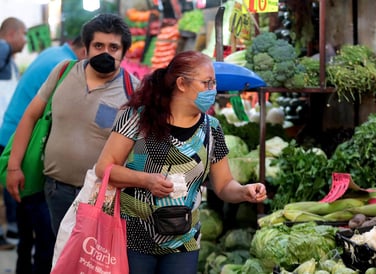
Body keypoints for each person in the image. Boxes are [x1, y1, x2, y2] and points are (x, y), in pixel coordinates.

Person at [95, 50, 267, 274]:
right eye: (206, 83)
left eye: (214, 84)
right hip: (132, 237)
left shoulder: (212, 128)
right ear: (182, 84)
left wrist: (244, 192)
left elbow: (224, 185)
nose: (212, 90)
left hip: (185, 240)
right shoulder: (138, 118)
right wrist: (146, 181)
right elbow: (104, 167)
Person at [6, 12, 139, 244]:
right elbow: (30, 116)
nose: (105, 52)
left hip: (102, 196)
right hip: (56, 191)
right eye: (98, 45)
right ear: (85, 49)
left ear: (123, 52)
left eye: (113, 47)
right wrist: (14, 166)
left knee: (91, 260)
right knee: (57, 256)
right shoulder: (62, 72)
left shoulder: (133, 92)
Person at [0, 35, 85, 274]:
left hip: (14, 138)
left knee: (28, 228)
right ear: (83, 49)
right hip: (26, 146)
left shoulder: (54, 53)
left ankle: (22, 267)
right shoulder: (64, 68)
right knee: (43, 235)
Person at [0, 16, 27, 250]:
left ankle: (10, 231)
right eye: (24, 34)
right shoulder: (2, 49)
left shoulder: (11, 61)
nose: (26, 40)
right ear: (12, 34)